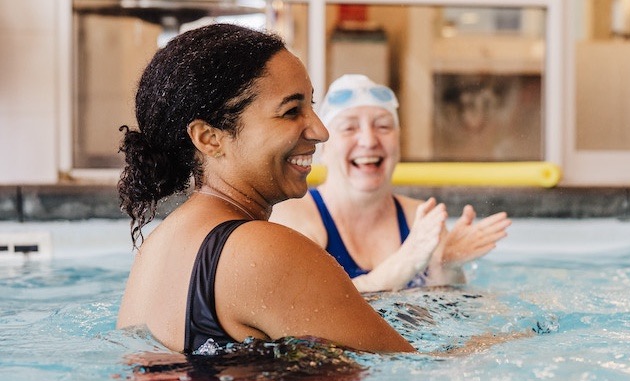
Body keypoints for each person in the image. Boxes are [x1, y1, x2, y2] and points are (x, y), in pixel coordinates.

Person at [115, 23, 414, 355]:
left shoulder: (157, 245)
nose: (319, 130)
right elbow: (411, 374)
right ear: (209, 137)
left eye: (311, 106)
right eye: (291, 112)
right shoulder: (268, 251)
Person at [270, 74, 511, 293]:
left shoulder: (419, 217)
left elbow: (447, 318)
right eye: (349, 127)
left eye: (383, 126)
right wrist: (406, 261)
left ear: (398, 143)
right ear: (323, 147)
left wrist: (446, 265)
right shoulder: (295, 217)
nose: (368, 140)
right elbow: (304, 308)